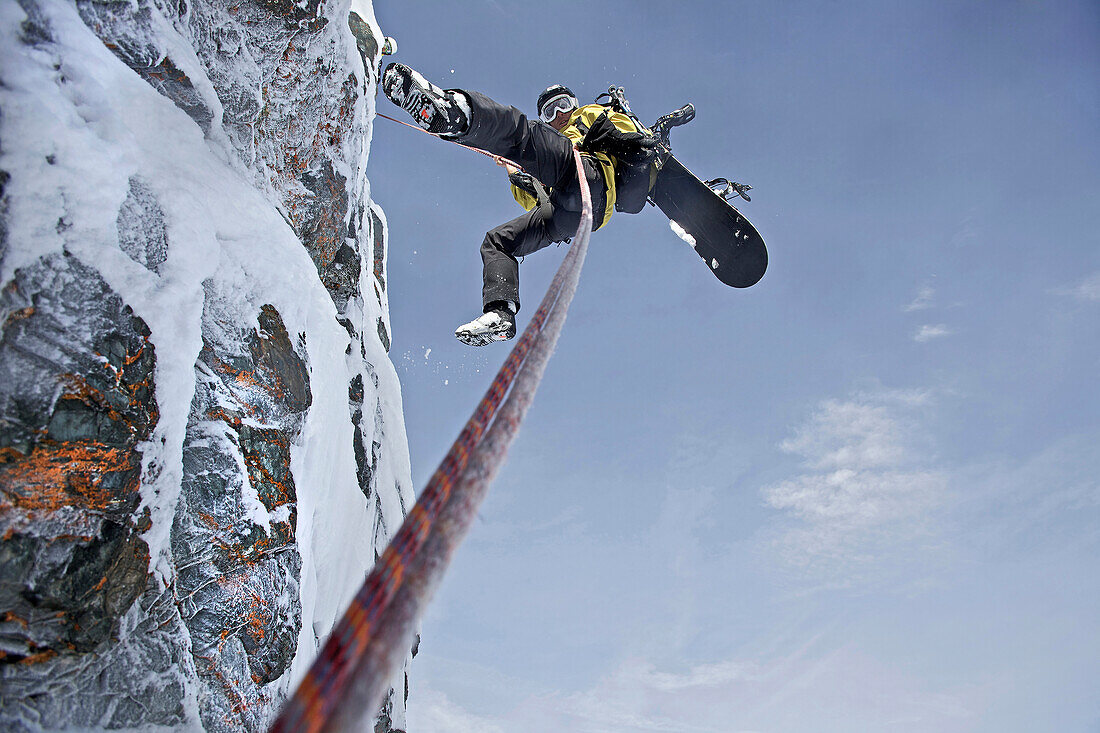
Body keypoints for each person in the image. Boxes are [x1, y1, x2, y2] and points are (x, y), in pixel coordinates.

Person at [381, 63, 657, 346]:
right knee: (496, 242)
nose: (560, 114)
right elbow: (534, 202)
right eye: (551, 112)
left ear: (574, 104)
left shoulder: (587, 115)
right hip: (568, 210)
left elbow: (624, 131)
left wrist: (611, 136)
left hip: (590, 173)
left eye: (563, 105)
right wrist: (515, 174)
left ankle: (458, 113)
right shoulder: (551, 146)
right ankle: (500, 313)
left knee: (521, 134)